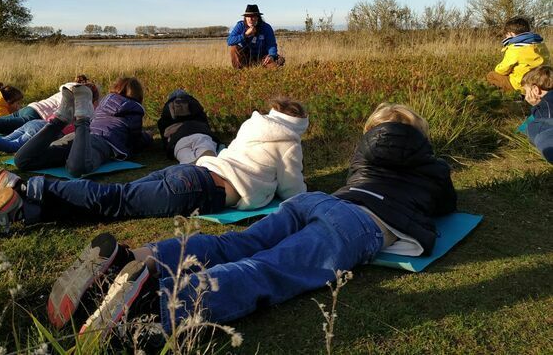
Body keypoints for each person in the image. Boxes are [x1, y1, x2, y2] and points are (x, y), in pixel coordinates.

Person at [47, 103, 456, 341]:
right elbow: (444, 203)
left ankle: (131, 261)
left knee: (234, 247)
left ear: (371, 134)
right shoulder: (432, 168)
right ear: (420, 137)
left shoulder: (361, 158)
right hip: (362, 223)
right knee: (269, 270)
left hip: (322, 202)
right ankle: (153, 306)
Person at [0, 97, 308, 248]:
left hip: (189, 173)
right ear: (299, 124)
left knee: (116, 198)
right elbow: (293, 192)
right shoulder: (289, 142)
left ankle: (26, 209)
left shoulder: (253, 127)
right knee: (118, 200)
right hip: (202, 190)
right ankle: (31, 187)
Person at [486, 16, 549, 93]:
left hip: (522, 85)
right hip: (542, 84)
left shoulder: (515, 48)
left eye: (506, 34)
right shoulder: (541, 45)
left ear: (511, 33)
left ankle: (512, 94)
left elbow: (502, 70)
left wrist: (500, 69)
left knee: (491, 75)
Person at [157, 89, 219, 164]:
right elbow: (206, 126)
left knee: (184, 155)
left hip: (178, 141)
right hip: (200, 134)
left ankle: (191, 164)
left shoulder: (166, 118)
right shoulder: (198, 113)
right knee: (205, 150)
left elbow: (165, 137)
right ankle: (207, 161)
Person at [227, 4, 285, 69]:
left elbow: (271, 45)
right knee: (234, 48)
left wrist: (271, 55)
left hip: (263, 57)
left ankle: (264, 69)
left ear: (258, 17)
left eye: (253, 16)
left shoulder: (266, 27)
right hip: (246, 57)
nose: (250, 19)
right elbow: (229, 41)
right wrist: (245, 35)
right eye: (248, 16)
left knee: (276, 65)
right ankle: (239, 71)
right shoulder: (240, 25)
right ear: (245, 17)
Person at [520, 66, 553, 163]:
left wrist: (536, 106)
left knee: (533, 127)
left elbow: (545, 122)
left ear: (535, 89)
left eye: (526, 91)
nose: (525, 96)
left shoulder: (546, 103)